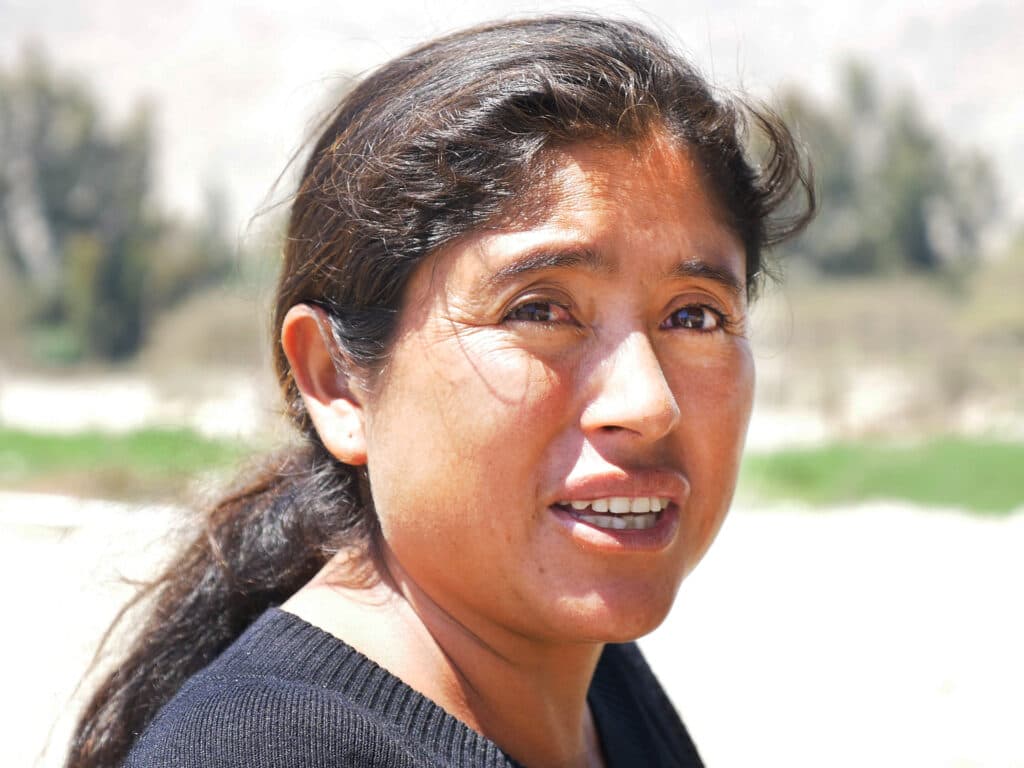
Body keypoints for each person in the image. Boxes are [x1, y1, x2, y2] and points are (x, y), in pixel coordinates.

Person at [67, 15, 813, 768]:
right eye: (540, 311)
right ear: (335, 383)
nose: (649, 403)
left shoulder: (595, 683)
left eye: (694, 316)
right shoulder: (266, 754)